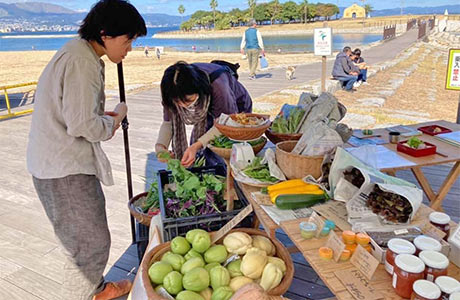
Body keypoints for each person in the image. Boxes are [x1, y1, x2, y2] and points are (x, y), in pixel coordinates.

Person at [26, 1, 146, 299]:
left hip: (54, 162)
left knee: (81, 238)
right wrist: (115, 119)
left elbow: (74, 113)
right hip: (64, 168)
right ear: (105, 33)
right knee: (89, 244)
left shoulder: (78, 51)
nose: (129, 48)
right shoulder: (83, 61)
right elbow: (82, 126)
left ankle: (98, 288)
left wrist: (100, 117)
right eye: (128, 39)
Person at [155, 61, 252, 167]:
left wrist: (196, 146)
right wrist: (160, 147)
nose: (182, 106)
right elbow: (168, 122)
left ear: (199, 90)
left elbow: (225, 124)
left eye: (188, 100)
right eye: (177, 102)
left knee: (223, 151)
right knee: (198, 150)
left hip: (236, 110)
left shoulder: (219, 88)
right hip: (208, 111)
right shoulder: (171, 89)